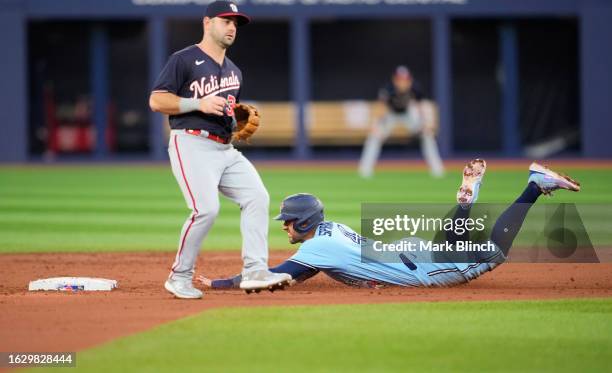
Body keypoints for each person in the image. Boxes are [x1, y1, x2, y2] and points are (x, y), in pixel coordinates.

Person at [198, 160, 580, 289]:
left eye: (289, 222)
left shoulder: (316, 247)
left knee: (493, 251)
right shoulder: (330, 233)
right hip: (407, 251)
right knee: (450, 245)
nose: (284, 227)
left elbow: (273, 277)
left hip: (418, 268)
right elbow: (303, 273)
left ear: (306, 223)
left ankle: (533, 184)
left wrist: (219, 283)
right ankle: (464, 205)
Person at [149, 0, 291, 299]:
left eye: (235, 23)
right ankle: (179, 277)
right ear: (207, 23)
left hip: (225, 149)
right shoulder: (184, 59)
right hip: (190, 143)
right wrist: (196, 103)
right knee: (206, 209)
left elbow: (225, 112)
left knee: (256, 197)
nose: (231, 27)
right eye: (225, 21)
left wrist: (234, 124)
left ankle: (254, 271)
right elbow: (157, 100)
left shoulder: (234, 72)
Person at [358, 65, 445, 178]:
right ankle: (365, 169)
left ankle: (437, 169)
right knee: (374, 136)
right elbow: (381, 108)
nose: (402, 83)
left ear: (410, 80)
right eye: (400, 79)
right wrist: (375, 125)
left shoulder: (415, 88)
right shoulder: (388, 89)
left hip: (408, 114)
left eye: (405, 80)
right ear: (395, 79)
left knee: (427, 135)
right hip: (391, 114)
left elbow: (420, 107)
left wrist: (424, 124)